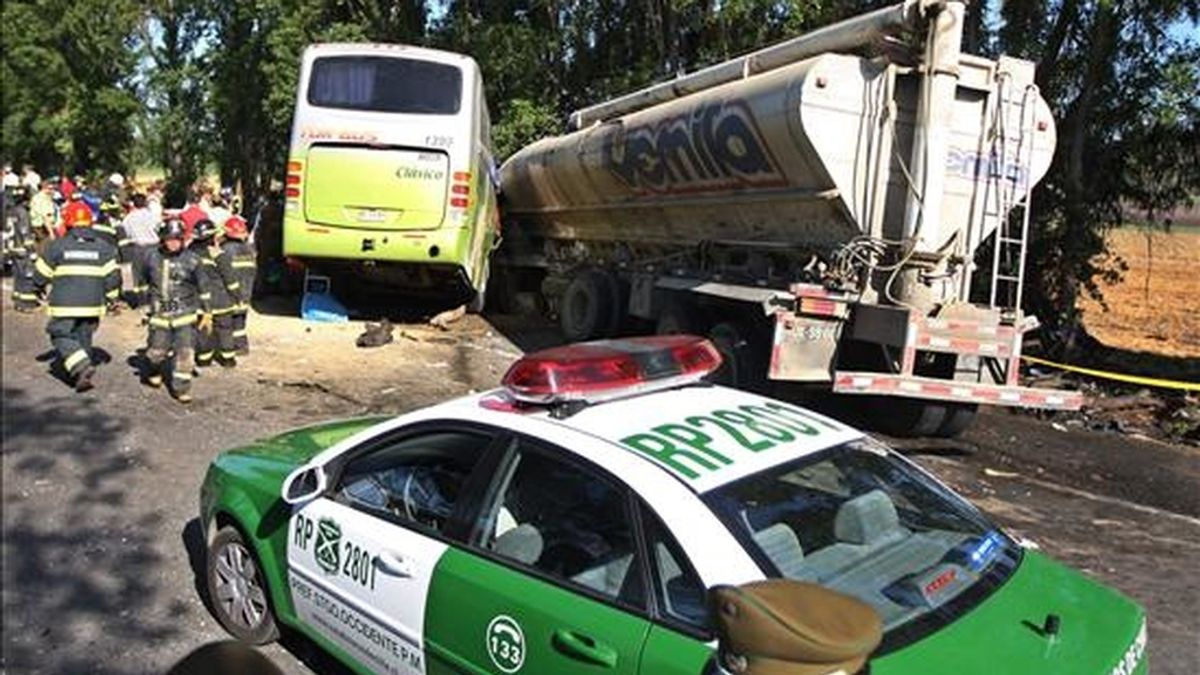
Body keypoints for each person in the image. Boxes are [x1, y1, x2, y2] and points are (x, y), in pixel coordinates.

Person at [32, 204, 120, 392]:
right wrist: (113, 299)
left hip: (65, 305)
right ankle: (80, 376)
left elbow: (40, 274)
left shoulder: (57, 246)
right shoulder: (104, 248)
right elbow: (113, 278)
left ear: (69, 222)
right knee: (83, 336)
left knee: (58, 333)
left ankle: (81, 366)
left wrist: (36, 287)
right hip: (93, 305)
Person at [143, 218, 208, 402]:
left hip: (185, 313)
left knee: (185, 352)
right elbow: (144, 281)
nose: (173, 243)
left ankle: (182, 389)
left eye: (178, 239)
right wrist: (145, 306)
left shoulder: (193, 260)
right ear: (162, 239)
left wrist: (207, 311)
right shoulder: (151, 257)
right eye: (170, 239)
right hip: (160, 313)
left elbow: (204, 287)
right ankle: (153, 370)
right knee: (156, 352)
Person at [191, 219, 240, 368]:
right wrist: (237, 296)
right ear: (211, 237)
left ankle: (203, 359)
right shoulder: (218, 254)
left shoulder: (188, 254)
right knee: (224, 329)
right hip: (221, 300)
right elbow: (230, 279)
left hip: (199, 301)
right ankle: (228, 359)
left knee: (203, 330)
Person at [222, 215, 256, 355]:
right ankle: (242, 347)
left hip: (230, 294)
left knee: (226, 324)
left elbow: (222, 273)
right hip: (246, 293)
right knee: (240, 323)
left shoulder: (225, 250)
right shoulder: (249, 250)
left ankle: (228, 348)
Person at [119, 193, 161, 306]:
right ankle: (154, 298)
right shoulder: (152, 215)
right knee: (154, 273)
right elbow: (158, 227)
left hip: (136, 247)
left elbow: (126, 233)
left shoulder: (128, 218)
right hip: (153, 247)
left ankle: (138, 300)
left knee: (138, 275)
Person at [6, 186, 41, 311]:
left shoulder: (11, 211)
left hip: (13, 248)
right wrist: (32, 251)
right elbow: (25, 233)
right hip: (22, 250)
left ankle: (17, 300)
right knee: (27, 275)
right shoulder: (23, 213)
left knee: (18, 275)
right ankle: (26, 304)